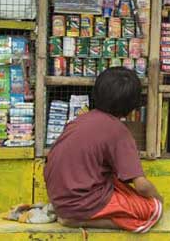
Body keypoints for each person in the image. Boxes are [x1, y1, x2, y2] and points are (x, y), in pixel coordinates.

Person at [44, 67, 163, 233]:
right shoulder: (118, 131)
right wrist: (159, 199)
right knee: (153, 210)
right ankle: (77, 220)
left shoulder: (80, 120)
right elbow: (142, 186)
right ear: (132, 105)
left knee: (116, 181)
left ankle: (74, 214)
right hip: (81, 203)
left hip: (60, 199)